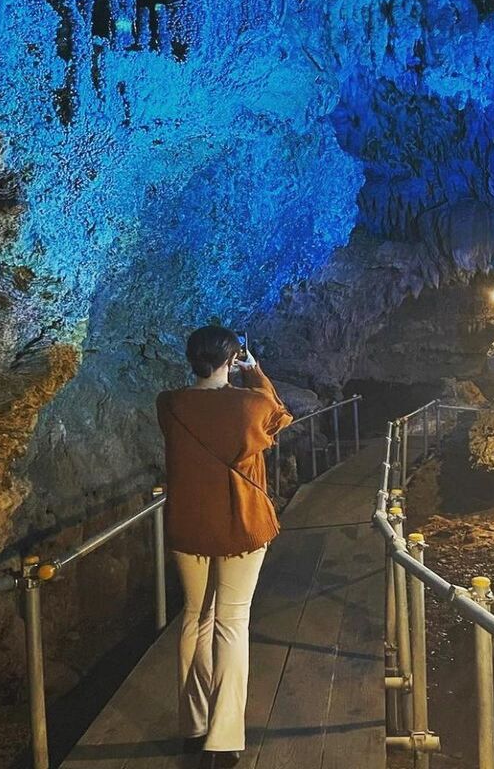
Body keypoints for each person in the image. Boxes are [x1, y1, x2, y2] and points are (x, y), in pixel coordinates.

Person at [156, 326, 292, 769]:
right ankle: (224, 737)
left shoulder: (170, 404)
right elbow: (280, 415)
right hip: (241, 527)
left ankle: (192, 727)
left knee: (195, 618)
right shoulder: (251, 404)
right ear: (232, 359)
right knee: (231, 623)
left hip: (189, 524)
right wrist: (256, 371)